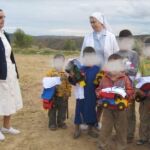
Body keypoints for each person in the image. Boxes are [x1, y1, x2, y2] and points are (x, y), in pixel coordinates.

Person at [81, 12, 119, 128]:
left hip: (106, 73)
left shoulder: (110, 36)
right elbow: (83, 54)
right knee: (89, 97)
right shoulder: (87, 37)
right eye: (90, 22)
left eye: (94, 21)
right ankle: (88, 120)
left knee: (102, 98)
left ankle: (97, 120)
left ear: (101, 22)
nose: (92, 24)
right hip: (90, 72)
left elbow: (116, 55)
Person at [96, 54, 134, 150]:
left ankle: (121, 146)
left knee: (121, 128)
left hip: (121, 110)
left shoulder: (125, 78)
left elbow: (130, 91)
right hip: (108, 109)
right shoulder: (104, 78)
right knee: (105, 128)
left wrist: (125, 94)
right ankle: (102, 145)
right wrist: (99, 94)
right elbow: (98, 89)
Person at [0, 9, 23, 141]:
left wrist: (15, 72)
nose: (2, 20)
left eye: (3, 17)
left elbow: (10, 55)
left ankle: (6, 126)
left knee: (9, 98)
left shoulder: (6, 35)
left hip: (9, 71)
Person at [69, 47, 100, 139]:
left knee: (91, 111)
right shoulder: (81, 69)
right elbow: (74, 81)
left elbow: (100, 83)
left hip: (92, 95)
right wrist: (72, 77)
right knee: (79, 111)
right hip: (81, 96)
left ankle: (90, 129)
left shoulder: (97, 69)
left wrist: (99, 97)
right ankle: (77, 129)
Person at [117, 29, 139, 143]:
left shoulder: (134, 54)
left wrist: (124, 69)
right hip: (117, 88)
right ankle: (120, 133)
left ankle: (129, 135)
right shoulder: (115, 54)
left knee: (130, 112)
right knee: (119, 111)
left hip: (129, 88)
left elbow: (135, 70)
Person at [46, 54, 71, 131]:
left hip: (63, 96)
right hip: (53, 96)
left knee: (62, 110)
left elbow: (68, 84)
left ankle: (61, 122)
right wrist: (48, 95)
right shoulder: (50, 73)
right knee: (52, 110)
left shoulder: (66, 73)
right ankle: (52, 124)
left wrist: (68, 93)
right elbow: (46, 84)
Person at [136, 37, 150, 145]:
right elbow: (138, 78)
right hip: (145, 95)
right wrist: (138, 90)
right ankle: (143, 138)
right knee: (144, 117)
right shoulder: (142, 62)